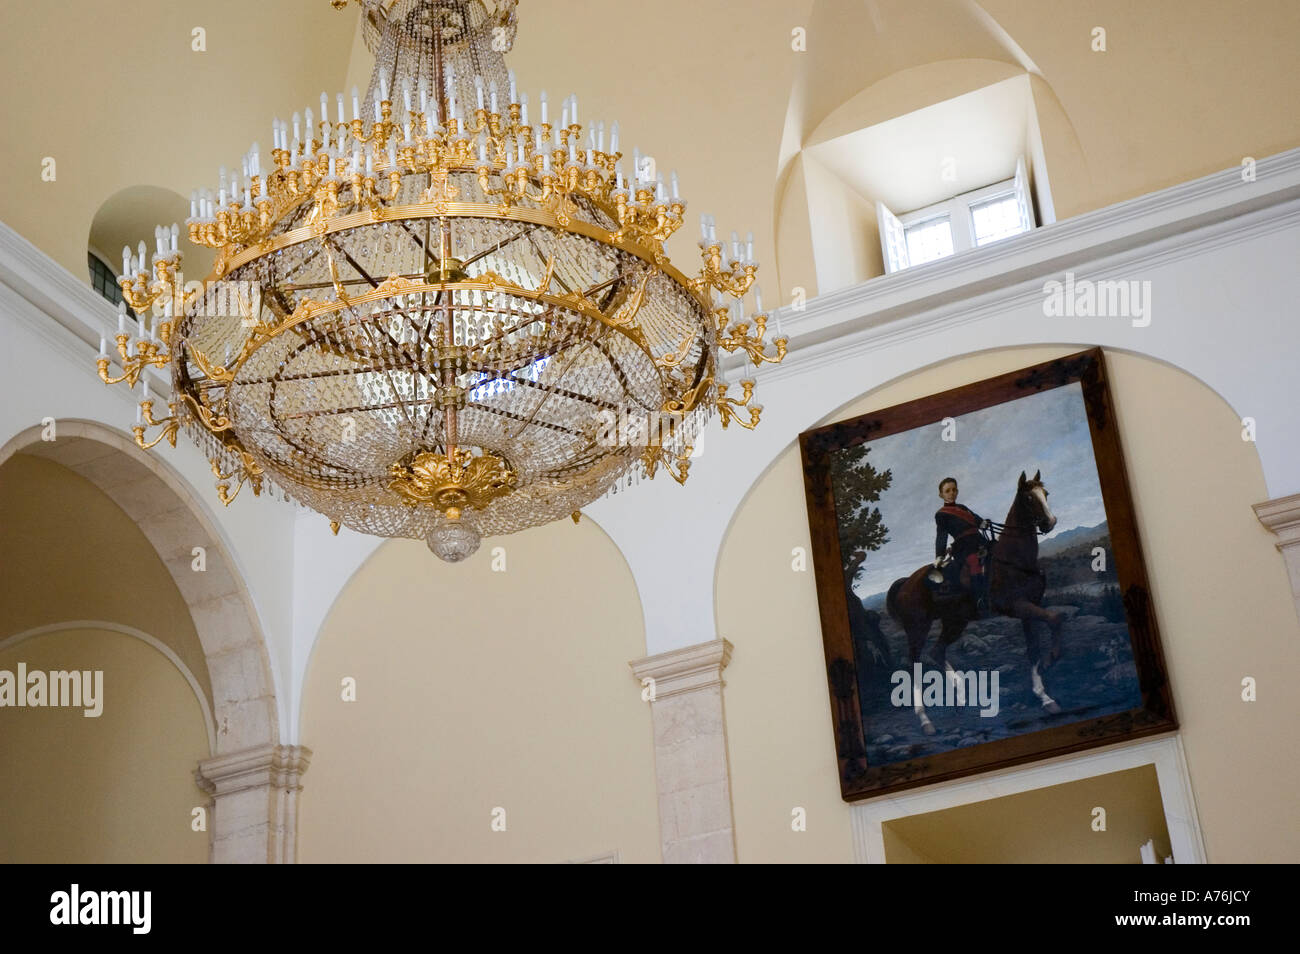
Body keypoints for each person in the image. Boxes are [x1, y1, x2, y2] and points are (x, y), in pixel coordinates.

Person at [932, 477, 992, 617]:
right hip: (964, 546)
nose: (951, 493)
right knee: (974, 562)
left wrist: (983, 523)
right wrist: (939, 556)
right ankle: (979, 601)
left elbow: (977, 520)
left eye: (954, 490)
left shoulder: (963, 508)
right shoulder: (941, 514)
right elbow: (942, 536)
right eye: (947, 491)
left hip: (979, 540)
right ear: (941, 495)